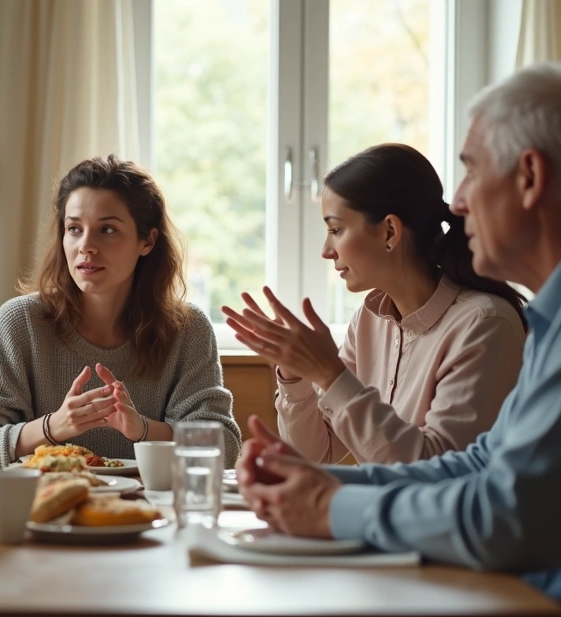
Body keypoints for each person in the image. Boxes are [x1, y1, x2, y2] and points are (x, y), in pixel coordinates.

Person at [235, 61, 561, 617]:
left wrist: (328, 508)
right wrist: (324, 481)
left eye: (471, 171)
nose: (459, 203)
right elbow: (478, 466)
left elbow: (510, 519)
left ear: (529, 176)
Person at [222, 143, 525, 464]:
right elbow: (316, 455)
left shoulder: (485, 324)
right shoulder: (368, 321)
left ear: (390, 231)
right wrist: (295, 376)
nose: (326, 250)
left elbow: (432, 470)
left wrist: (330, 374)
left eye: (336, 229)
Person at [0, 155, 241, 468]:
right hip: (45, 512)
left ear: (147, 240)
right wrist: (53, 427)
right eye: (74, 228)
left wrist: (143, 430)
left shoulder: (188, 329)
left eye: (107, 230)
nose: (86, 246)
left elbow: (223, 447)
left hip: (152, 513)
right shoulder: (20, 322)